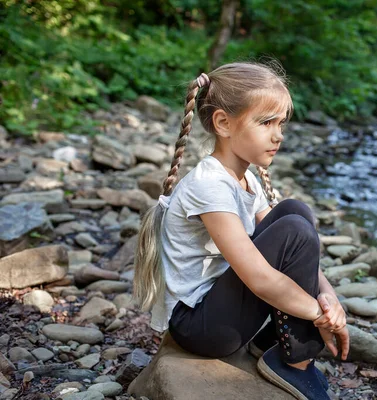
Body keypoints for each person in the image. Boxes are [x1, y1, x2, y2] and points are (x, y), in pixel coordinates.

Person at [133, 61, 350, 400]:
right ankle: (295, 363)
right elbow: (260, 277)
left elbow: (285, 246)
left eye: (281, 124)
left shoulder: (244, 178)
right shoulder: (209, 186)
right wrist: (318, 314)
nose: (278, 135)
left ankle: (277, 340)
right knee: (293, 225)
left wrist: (327, 295)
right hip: (200, 327)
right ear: (223, 123)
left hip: (222, 305)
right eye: (266, 123)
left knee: (294, 211)